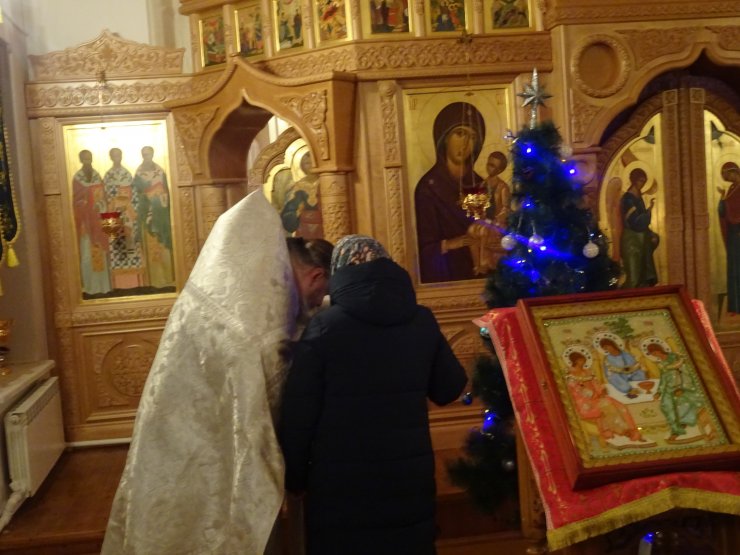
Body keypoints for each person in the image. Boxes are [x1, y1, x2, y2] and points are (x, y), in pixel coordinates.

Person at [101, 190, 333, 555]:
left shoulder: (216, 298)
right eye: (321, 293)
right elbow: (275, 399)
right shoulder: (253, 331)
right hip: (206, 442)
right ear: (316, 275)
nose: (317, 303)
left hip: (171, 439)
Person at [279, 234, 468, 554]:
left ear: (339, 273)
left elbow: (300, 416)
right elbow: (449, 388)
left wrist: (294, 479)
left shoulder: (324, 328)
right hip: (408, 480)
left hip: (341, 489)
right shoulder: (421, 320)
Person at [415, 101, 488, 282]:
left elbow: (488, 225)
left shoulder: (480, 184)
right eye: (460, 133)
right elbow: (421, 249)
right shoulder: (428, 188)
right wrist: (451, 243)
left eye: (472, 137)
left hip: (481, 275)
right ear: (444, 137)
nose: (466, 143)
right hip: (447, 276)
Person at [565, 351, 645, 444]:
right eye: (582, 360)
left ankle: (629, 430)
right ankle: (621, 432)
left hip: (597, 398)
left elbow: (596, 383)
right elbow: (576, 389)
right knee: (607, 406)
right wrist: (591, 394)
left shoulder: (588, 371)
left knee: (619, 406)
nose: (584, 362)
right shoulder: (570, 374)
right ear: (576, 361)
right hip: (584, 403)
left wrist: (601, 390)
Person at [132, 146, 175, 290]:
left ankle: (168, 278)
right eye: (144, 154)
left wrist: (160, 196)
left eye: (149, 154)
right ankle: (155, 281)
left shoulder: (160, 171)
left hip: (161, 214)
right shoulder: (139, 173)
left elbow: (167, 190)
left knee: (163, 245)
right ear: (142, 155)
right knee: (152, 247)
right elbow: (136, 194)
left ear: (153, 154)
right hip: (147, 215)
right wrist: (147, 195)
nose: (147, 157)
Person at [72, 149, 111, 296]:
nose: (88, 161)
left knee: (100, 252)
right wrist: (86, 206)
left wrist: (100, 205)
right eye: (85, 159)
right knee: (87, 256)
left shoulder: (97, 176)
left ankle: (103, 287)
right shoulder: (77, 178)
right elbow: (76, 201)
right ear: (81, 160)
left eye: (89, 158)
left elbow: (103, 197)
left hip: (98, 221)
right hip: (86, 224)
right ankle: (90, 288)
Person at [647, 343, 705, 442]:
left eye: (655, 352)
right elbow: (663, 378)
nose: (655, 355)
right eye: (653, 354)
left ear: (659, 350)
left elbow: (685, 371)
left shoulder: (675, 357)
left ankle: (682, 426)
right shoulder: (661, 364)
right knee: (665, 405)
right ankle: (676, 429)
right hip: (669, 388)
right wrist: (659, 392)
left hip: (684, 386)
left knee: (682, 402)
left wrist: (681, 387)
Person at [104, 147, 143, 290]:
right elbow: (105, 195)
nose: (117, 158)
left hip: (127, 214)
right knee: (115, 244)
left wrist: (127, 206)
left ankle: (134, 282)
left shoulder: (127, 174)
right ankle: (118, 285)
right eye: (114, 155)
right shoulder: (108, 176)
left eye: (119, 155)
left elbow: (133, 194)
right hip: (113, 214)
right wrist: (114, 205)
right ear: (110, 157)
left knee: (130, 243)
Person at [620, 167, 659, 288]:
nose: (642, 184)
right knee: (634, 279)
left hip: (642, 240)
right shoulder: (628, 198)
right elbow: (635, 222)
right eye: (640, 180)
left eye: (644, 181)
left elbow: (642, 221)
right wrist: (649, 211)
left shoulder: (639, 197)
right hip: (632, 241)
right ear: (634, 180)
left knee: (644, 278)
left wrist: (650, 234)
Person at [717, 161, 740, 314]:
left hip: (738, 233)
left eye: (726, 175)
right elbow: (723, 211)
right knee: (733, 268)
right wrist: (722, 198)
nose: (726, 179)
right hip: (733, 235)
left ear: (733, 172)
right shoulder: (732, 189)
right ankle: (735, 306)